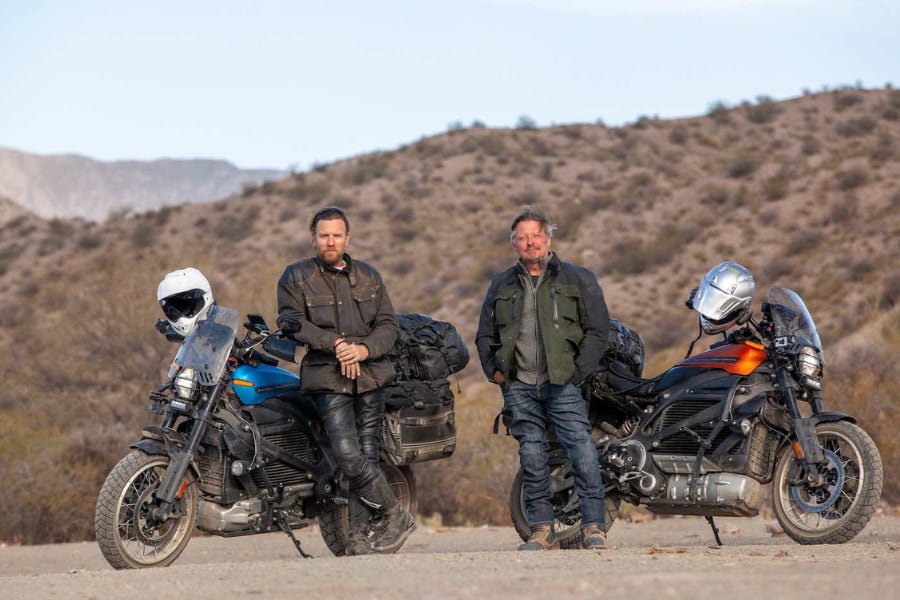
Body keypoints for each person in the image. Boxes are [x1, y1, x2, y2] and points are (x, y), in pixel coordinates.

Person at [276, 206, 415, 555]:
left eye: (337, 235)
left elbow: (389, 326)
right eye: (324, 235)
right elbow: (291, 322)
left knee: (366, 455)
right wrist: (336, 345)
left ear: (347, 238)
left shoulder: (370, 276)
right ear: (313, 238)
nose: (330, 241)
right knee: (346, 454)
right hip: (328, 379)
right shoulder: (296, 276)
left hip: (370, 378)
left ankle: (357, 538)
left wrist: (363, 350)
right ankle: (395, 514)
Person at [476, 208, 610, 551]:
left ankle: (594, 525)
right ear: (514, 244)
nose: (530, 242)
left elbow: (598, 331)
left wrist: (577, 372)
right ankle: (541, 529)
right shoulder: (500, 283)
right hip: (518, 384)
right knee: (533, 457)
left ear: (548, 239)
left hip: (563, 383)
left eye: (535, 236)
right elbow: (484, 334)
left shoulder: (578, 278)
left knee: (581, 450)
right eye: (522, 238)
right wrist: (495, 372)